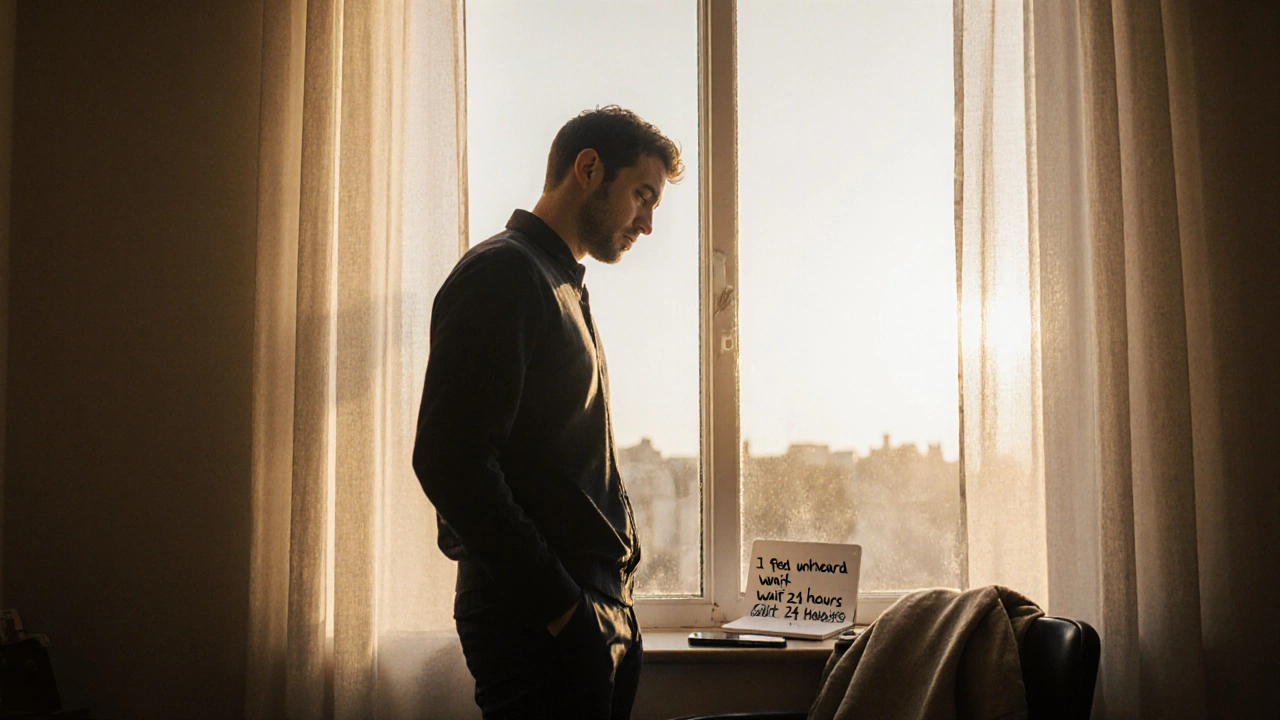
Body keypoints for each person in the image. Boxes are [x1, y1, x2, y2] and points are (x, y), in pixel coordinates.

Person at [412, 106, 683, 720]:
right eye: (642, 196)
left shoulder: (558, 282)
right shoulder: (504, 273)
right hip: (542, 621)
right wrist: (564, 610)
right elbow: (449, 459)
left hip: (582, 613)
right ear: (589, 168)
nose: (646, 223)